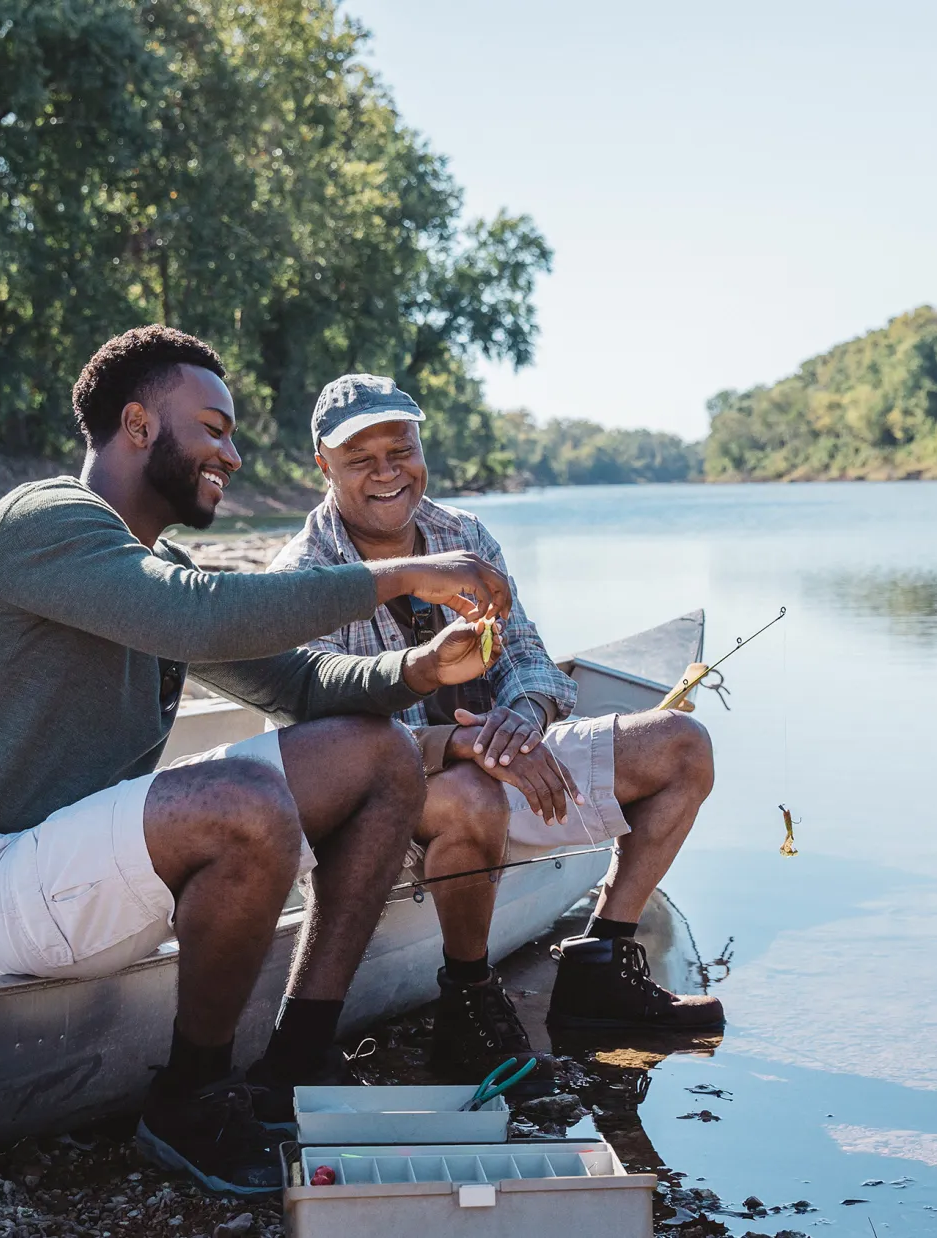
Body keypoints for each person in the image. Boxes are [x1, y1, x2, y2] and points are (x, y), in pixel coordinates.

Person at [0, 330, 515, 1196]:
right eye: (214, 428)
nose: (230, 453)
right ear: (137, 424)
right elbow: (199, 617)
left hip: (85, 875)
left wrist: (419, 670)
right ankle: (189, 1098)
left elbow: (300, 683)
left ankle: (297, 1060)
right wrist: (403, 575)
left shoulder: (149, 564)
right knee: (244, 803)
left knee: (379, 756)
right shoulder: (42, 523)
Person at [268, 374, 724, 1096]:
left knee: (680, 745)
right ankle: (471, 1003)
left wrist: (525, 718)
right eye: (361, 458)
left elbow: (530, 660)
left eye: (401, 448)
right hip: (379, 815)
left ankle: (601, 965)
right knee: (474, 795)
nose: (388, 471)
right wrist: (463, 746)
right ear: (322, 466)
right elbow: (319, 751)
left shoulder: (464, 537)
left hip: (493, 766)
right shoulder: (300, 576)